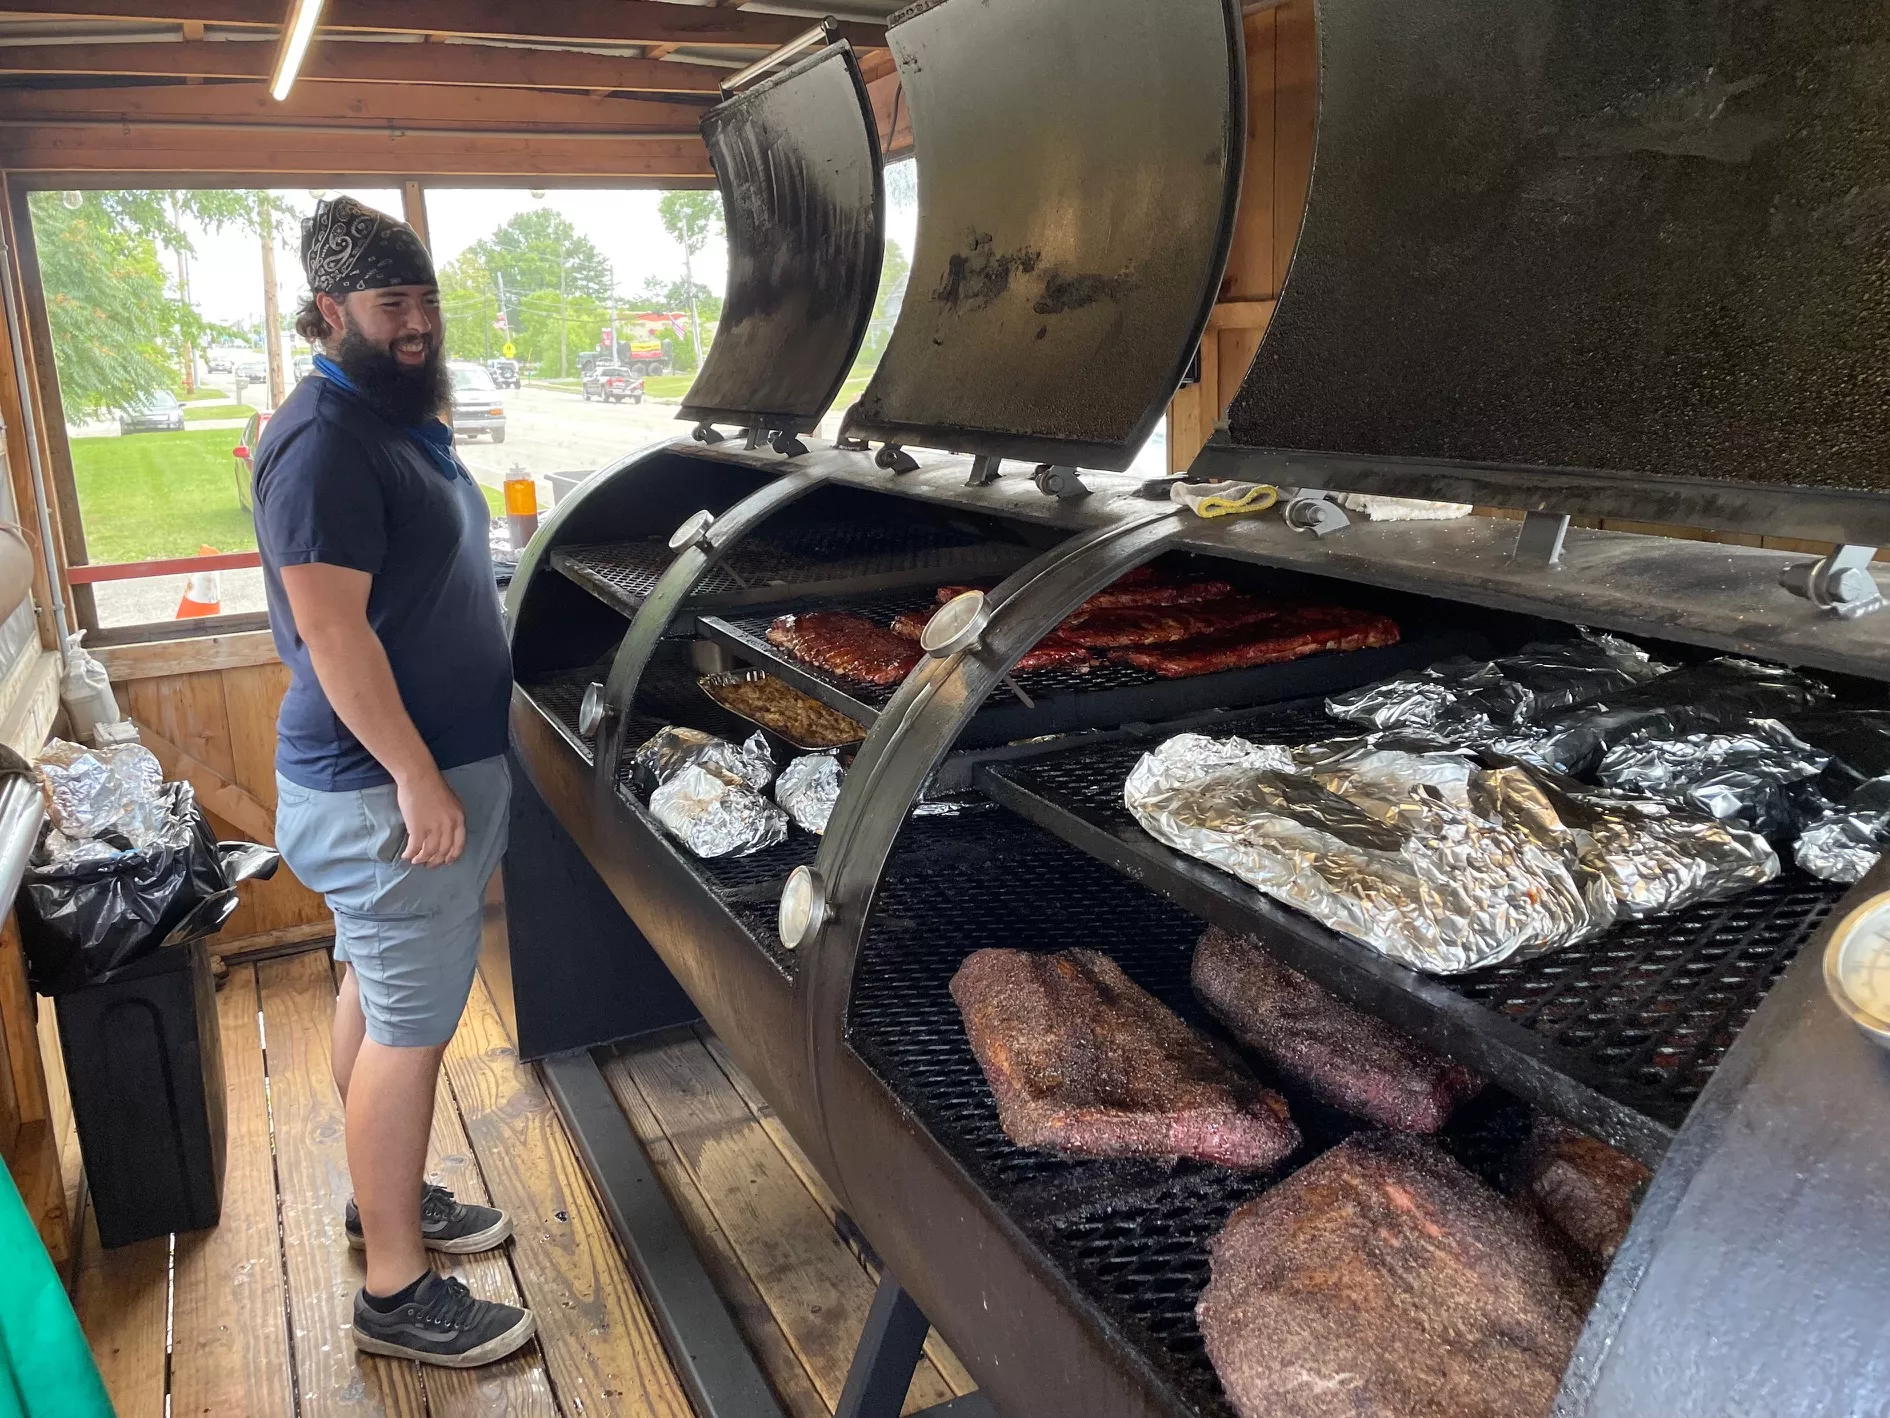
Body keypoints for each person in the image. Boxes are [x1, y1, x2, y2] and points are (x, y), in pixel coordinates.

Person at [251, 197, 533, 1368]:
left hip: (392, 788)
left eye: (425, 302)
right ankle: (395, 1292)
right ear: (333, 312)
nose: (416, 324)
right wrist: (418, 776)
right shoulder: (324, 438)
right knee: (415, 1031)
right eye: (390, 306)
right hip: (383, 794)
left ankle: (389, 1200)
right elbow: (334, 637)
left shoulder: (389, 411)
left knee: (378, 991)